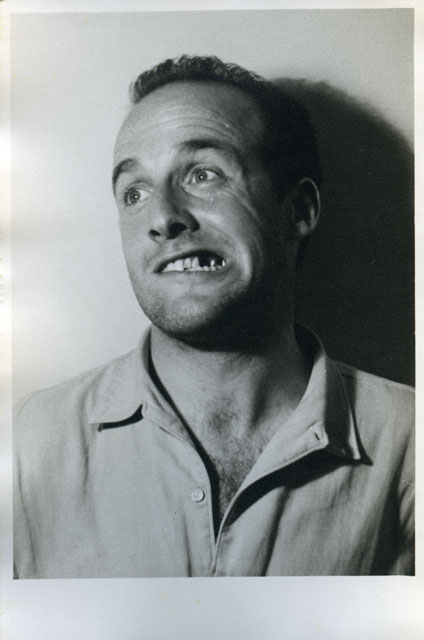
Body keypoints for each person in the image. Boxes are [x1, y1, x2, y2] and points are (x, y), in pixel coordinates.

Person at [13, 55, 414, 578]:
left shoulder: (410, 442)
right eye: (134, 192)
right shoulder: (24, 444)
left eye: (202, 174)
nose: (162, 217)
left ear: (298, 210)